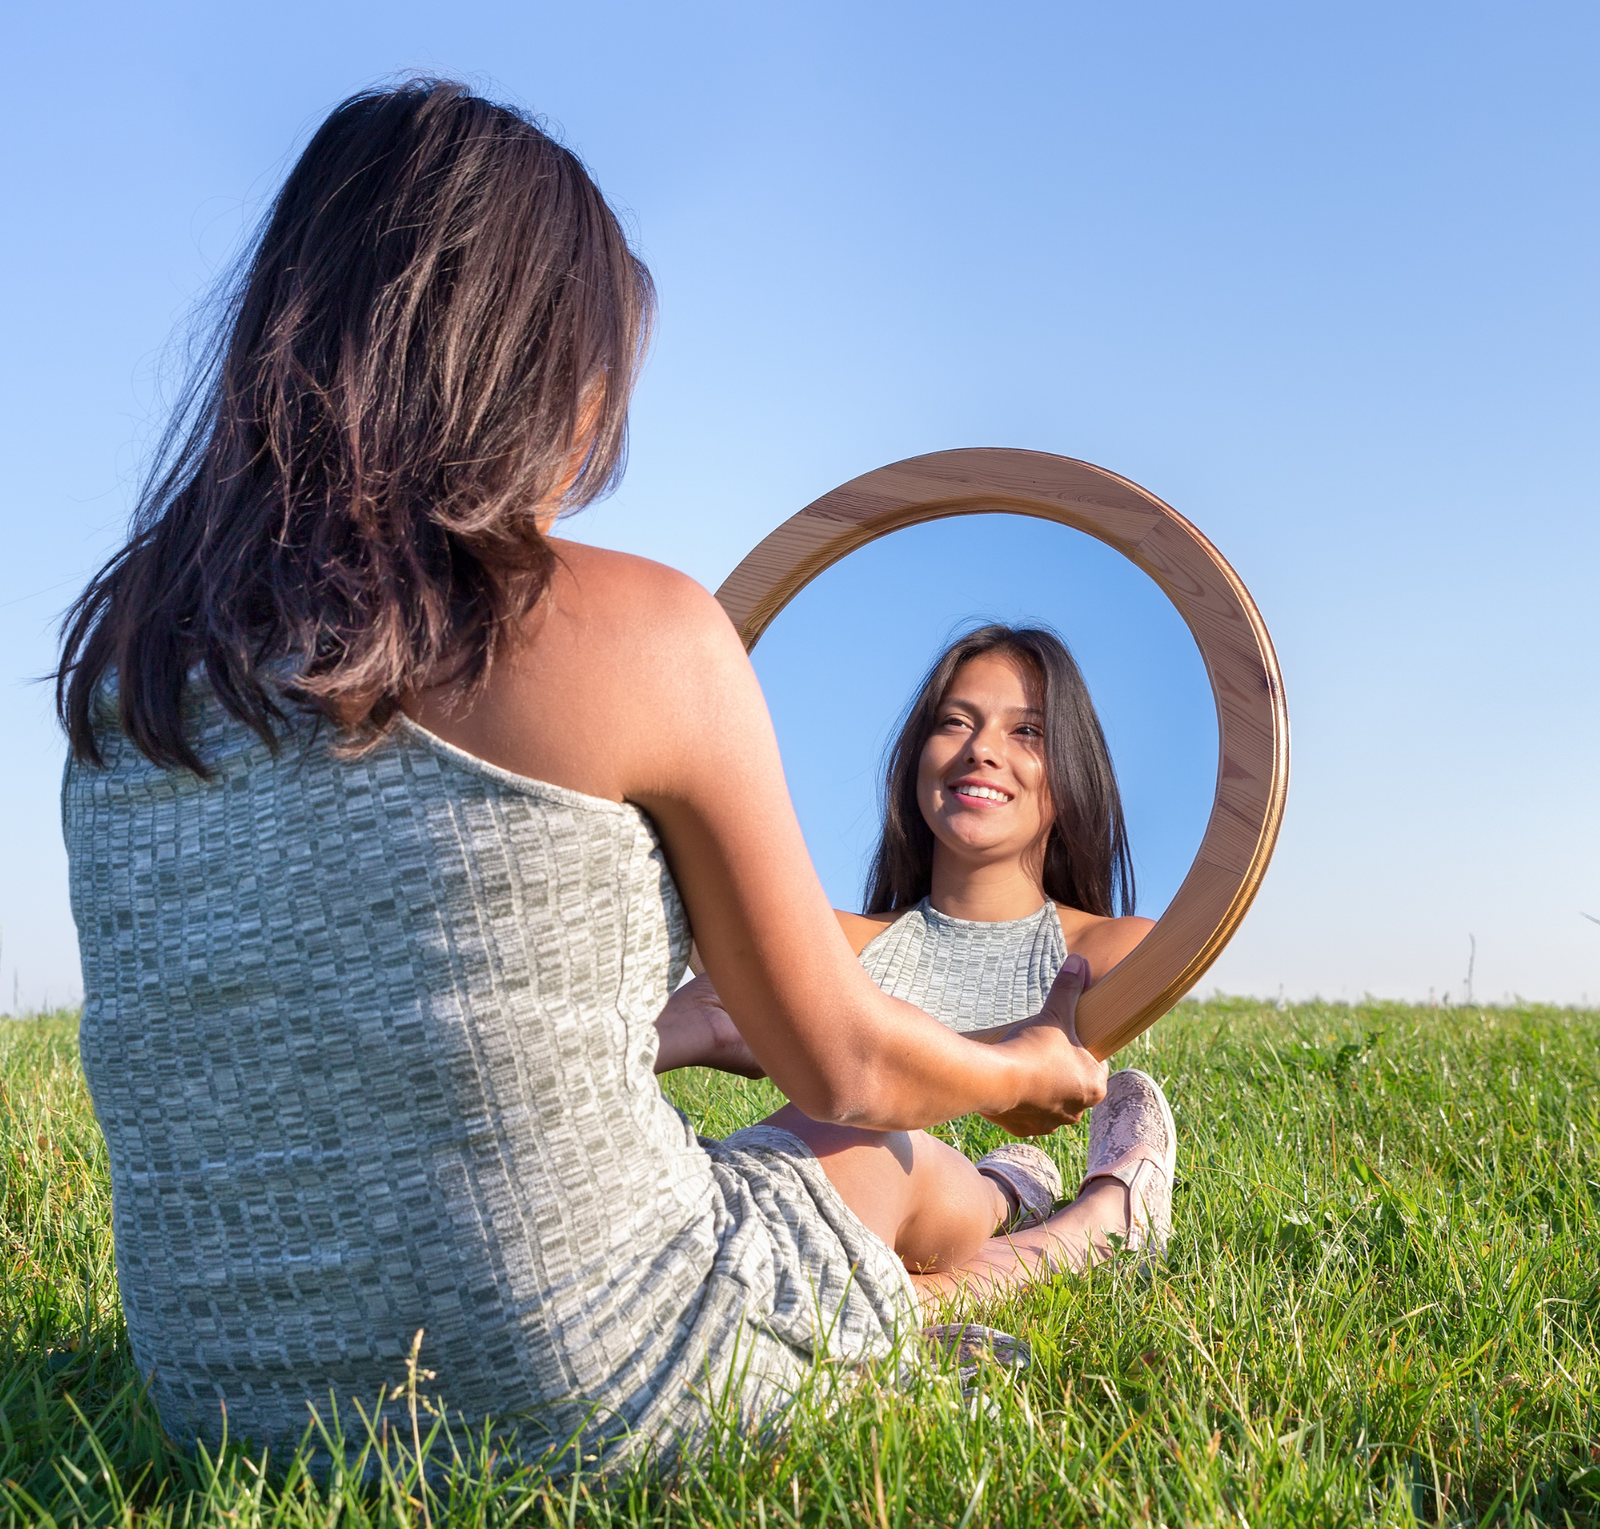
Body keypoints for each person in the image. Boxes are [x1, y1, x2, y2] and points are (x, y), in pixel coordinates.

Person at [56, 79, 1170, 1470]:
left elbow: (346, 1020)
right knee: (877, 1165)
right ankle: (1085, 1225)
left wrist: (696, 1029)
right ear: (538, 368)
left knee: (803, 1164)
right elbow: (847, 1057)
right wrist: (1019, 1071)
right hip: (579, 1377)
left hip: (221, 1401)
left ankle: (977, 1230)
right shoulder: (635, 629)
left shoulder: (129, 665)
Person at [658, 625, 1173, 1282]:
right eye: (955, 722)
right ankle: (1056, 1219)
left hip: (847, 1196)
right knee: (858, 1139)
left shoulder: (1120, 947)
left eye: (1028, 732)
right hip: (838, 1190)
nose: (982, 749)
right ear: (916, 760)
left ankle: (1016, 1195)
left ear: (1070, 773)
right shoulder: (830, 939)